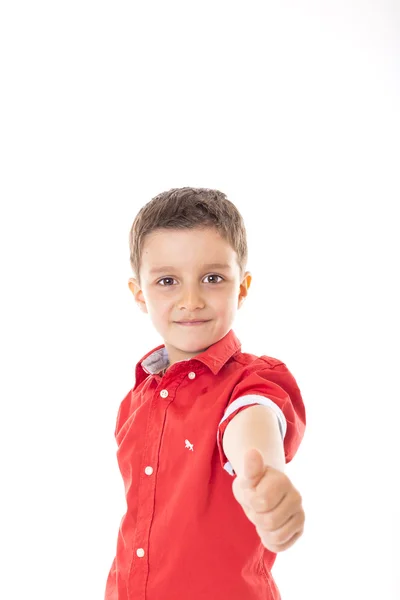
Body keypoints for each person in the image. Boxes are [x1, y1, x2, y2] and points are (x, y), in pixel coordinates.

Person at [105, 187, 306, 600]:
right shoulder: (135, 399)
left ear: (242, 287)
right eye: (167, 281)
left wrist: (264, 480)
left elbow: (250, 420)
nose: (191, 300)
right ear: (139, 294)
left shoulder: (253, 380)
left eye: (212, 278)